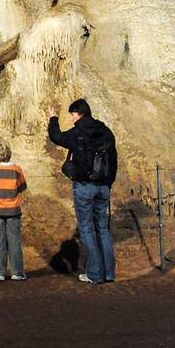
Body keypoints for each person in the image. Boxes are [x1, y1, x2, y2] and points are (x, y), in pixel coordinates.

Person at [48, 98, 117, 284]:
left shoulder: (78, 131)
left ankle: (94, 274)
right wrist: (108, 183)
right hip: (103, 186)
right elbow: (113, 157)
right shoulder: (104, 130)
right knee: (102, 228)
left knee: (86, 229)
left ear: (81, 113)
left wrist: (53, 118)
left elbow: (57, 137)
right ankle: (109, 273)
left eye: (72, 114)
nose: (71, 118)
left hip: (85, 186)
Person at [0, 137, 27, 281]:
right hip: (13, 211)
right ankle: (17, 272)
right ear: (9, 151)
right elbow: (22, 187)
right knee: (14, 241)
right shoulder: (16, 170)